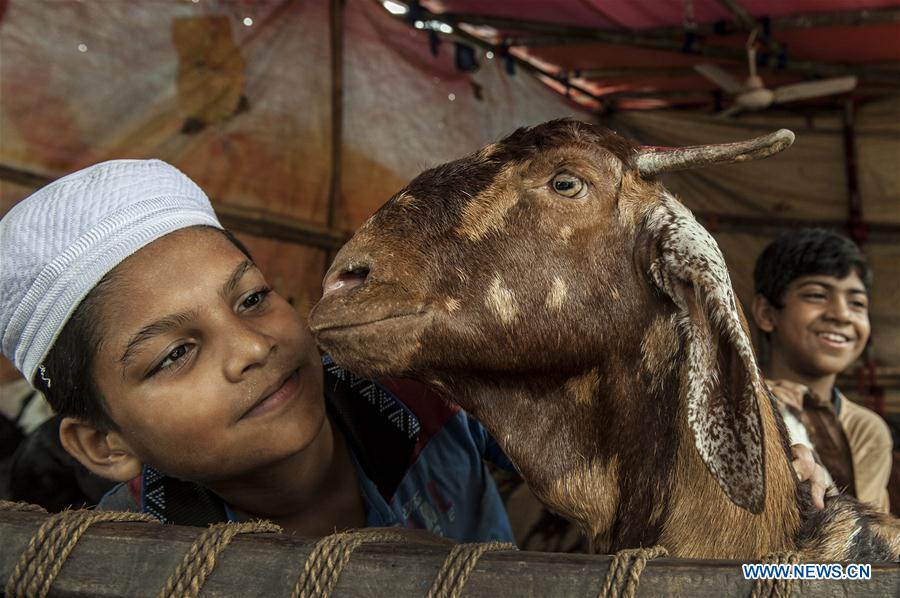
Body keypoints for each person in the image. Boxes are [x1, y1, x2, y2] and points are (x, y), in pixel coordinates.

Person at [0, 160, 827, 541]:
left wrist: (776, 460)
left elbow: (632, 420)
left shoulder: (423, 393)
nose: (250, 347)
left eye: (252, 298)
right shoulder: (122, 560)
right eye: (174, 354)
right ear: (101, 443)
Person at [751, 228, 892, 513]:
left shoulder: (865, 429)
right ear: (766, 313)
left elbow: (863, 529)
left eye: (857, 303)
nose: (841, 314)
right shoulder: (738, 405)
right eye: (816, 295)